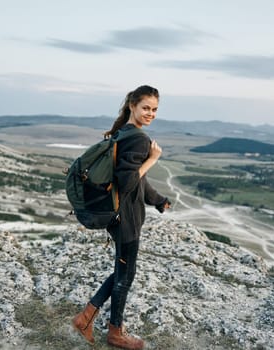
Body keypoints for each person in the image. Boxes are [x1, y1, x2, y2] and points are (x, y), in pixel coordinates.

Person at [72, 85, 171, 350]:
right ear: (132, 106)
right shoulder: (139, 139)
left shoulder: (122, 133)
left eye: (154, 110)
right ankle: (115, 332)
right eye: (146, 108)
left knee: (121, 270)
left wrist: (159, 200)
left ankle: (86, 318)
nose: (150, 113)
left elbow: (139, 182)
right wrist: (153, 158)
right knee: (125, 275)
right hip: (125, 218)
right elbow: (128, 181)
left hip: (116, 215)